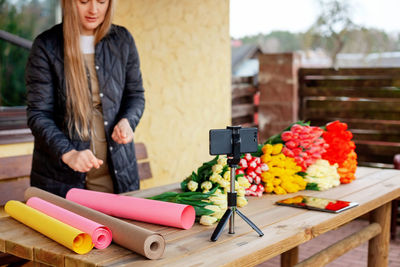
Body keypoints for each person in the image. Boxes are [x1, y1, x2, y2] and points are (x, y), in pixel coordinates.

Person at [25, 0, 145, 197]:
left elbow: (135, 95)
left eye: (101, 1)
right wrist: (69, 153)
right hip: (60, 180)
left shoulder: (122, 40)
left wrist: (127, 121)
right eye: (83, 1)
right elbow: (39, 114)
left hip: (118, 177)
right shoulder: (46, 46)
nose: (94, 10)